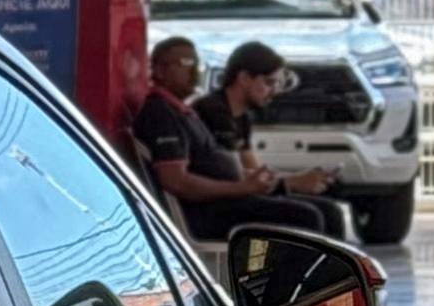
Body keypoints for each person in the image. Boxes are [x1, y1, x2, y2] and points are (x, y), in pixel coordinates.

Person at [131, 36, 336, 239]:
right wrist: (249, 187)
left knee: (328, 212)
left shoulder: (183, 112)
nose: (194, 72)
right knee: (307, 216)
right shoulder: (162, 113)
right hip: (208, 211)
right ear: (159, 71)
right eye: (185, 64)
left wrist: (270, 183)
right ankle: (276, 262)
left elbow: (248, 171)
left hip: (227, 200)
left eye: (196, 64)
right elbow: (176, 181)